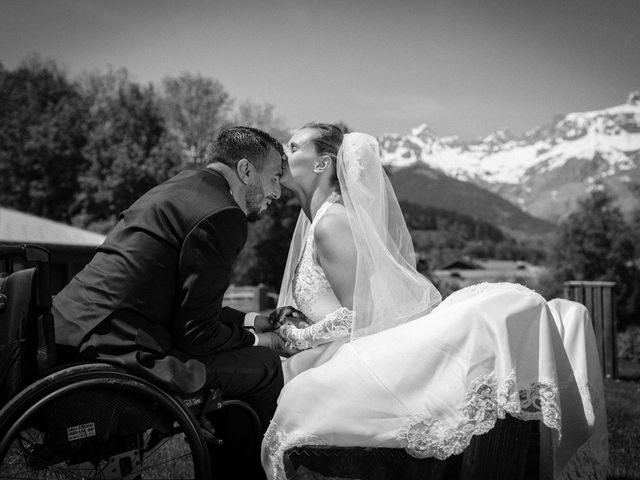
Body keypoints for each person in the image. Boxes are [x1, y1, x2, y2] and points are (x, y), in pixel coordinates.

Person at [261, 124, 608, 480]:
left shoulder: (330, 223)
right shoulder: (319, 218)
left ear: (322, 164)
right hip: (329, 348)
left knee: (298, 399)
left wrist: (298, 338)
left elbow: (358, 316)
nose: (283, 151)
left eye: (293, 146)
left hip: (350, 351)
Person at [53, 126, 297, 479]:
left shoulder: (179, 188)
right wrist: (263, 341)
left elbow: (175, 300)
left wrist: (251, 320)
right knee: (264, 366)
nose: (278, 191)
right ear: (245, 171)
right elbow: (197, 335)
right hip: (117, 348)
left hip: (74, 330)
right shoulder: (223, 214)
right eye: (275, 177)